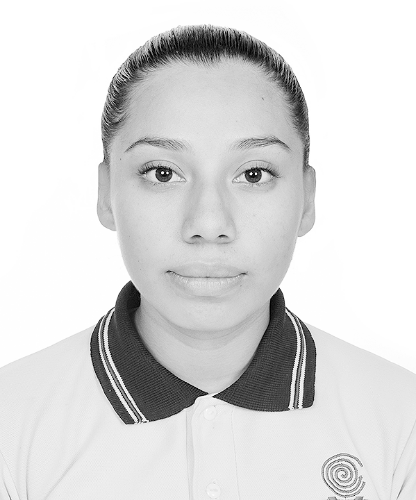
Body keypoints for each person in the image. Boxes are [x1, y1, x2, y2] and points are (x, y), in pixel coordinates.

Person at [0, 24, 415, 500]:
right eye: (162, 173)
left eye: (254, 174)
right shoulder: (11, 426)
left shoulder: (401, 423)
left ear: (306, 199)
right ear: (106, 193)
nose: (209, 223)